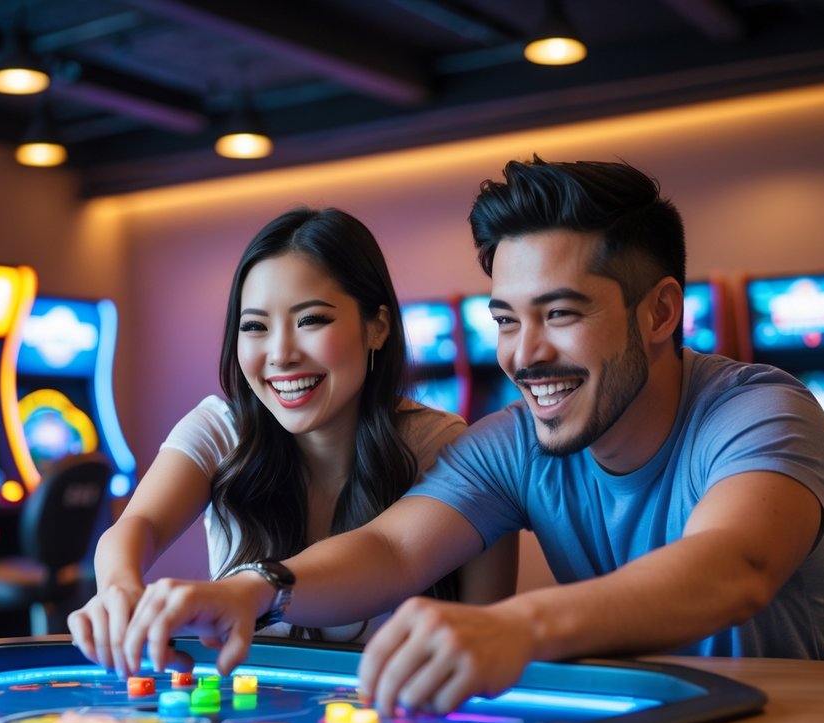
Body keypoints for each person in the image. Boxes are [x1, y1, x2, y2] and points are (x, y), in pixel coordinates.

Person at [112, 159, 824, 712]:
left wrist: (516, 627)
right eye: (505, 318)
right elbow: (394, 547)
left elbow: (735, 565)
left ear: (658, 314)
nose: (522, 354)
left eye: (559, 313)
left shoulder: (759, 409)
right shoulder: (514, 442)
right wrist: (257, 588)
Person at [68, 207, 517, 677]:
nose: (280, 354)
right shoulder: (223, 428)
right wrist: (118, 587)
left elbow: (486, 641)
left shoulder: (444, 445)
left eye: (311, 320)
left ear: (377, 327)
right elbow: (139, 524)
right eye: (255, 326)